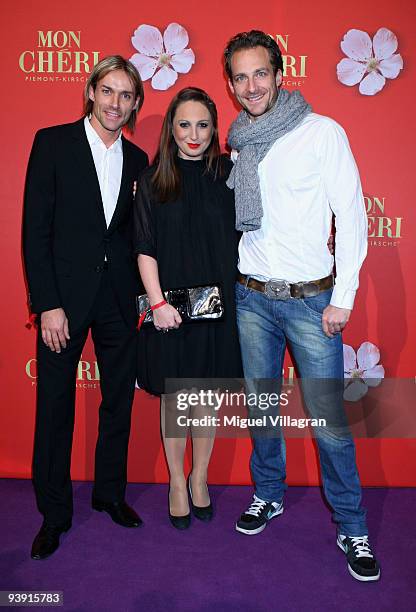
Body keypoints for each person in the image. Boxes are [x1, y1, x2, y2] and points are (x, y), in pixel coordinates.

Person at [223, 30, 380, 582]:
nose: (250, 86)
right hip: (251, 299)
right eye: (239, 77)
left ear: (280, 73)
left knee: (330, 424)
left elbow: (352, 216)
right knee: (261, 410)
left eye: (259, 73)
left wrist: (343, 298)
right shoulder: (240, 139)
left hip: (312, 303)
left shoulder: (321, 132)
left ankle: (352, 525)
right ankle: (268, 493)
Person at [23, 55, 148, 560]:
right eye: (108, 91)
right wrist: (47, 304)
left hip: (119, 301)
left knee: (119, 402)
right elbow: (36, 231)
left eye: (126, 95)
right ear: (91, 91)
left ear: (136, 103)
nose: (116, 103)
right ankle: (54, 514)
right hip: (65, 303)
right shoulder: (52, 143)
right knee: (55, 407)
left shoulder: (140, 160)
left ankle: (109, 494)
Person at [134, 87, 242, 529]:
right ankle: (177, 481)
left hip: (219, 306)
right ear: (170, 129)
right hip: (170, 311)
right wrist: (157, 302)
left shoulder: (229, 176)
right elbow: (144, 248)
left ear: (215, 128)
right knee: (177, 399)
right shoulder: (153, 179)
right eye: (184, 124)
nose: (193, 134)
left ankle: (200, 479)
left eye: (202, 124)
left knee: (205, 399)